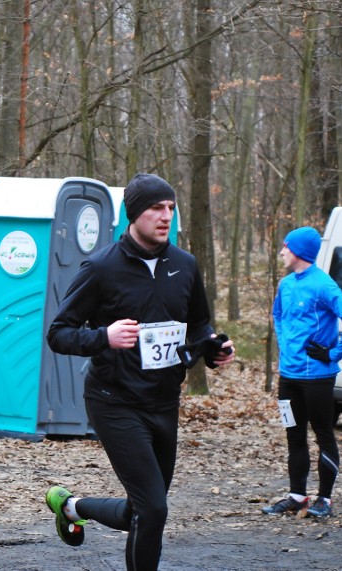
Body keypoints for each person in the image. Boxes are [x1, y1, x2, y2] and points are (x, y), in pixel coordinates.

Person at [43, 173, 236, 571]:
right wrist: (104, 337)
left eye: (170, 208)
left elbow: (197, 324)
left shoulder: (185, 265)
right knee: (154, 509)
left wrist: (214, 349)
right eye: (155, 208)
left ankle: (72, 507)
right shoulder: (101, 268)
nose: (166, 216)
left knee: (143, 508)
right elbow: (59, 334)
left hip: (163, 402)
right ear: (134, 214)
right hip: (114, 401)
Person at [262, 226, 340, 518]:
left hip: (318, 378)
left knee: (323, 434)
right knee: (294, 435)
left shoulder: (324, 285)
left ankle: (325, 499)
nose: (282, 251)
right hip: (289, 378)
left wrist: (333, 353)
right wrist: (285, 346)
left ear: (299, 252)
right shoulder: (285, 284)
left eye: (286, 247)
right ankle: (297, 495)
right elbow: (278, 315)